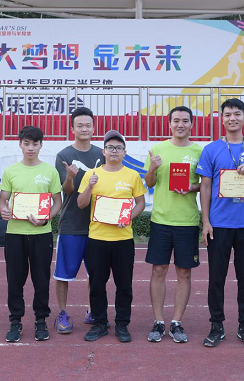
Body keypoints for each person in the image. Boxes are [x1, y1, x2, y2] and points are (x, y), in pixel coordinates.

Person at [197, 98, 244, 349]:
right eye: (228, 114)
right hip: (219, 223)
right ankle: (216, 326)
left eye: (237, 114)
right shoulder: (211, 149)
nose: (232, 118)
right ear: (222, 118)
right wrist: (206, 221)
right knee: (216, 278)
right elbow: (205, 187)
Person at [77, 130, 147, 343]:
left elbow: (140, 203)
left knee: (124, 285)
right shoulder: (92, 174)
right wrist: (90, 186)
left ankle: (122, 324)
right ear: (103, 151)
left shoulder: (132, 175)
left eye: (118, 148)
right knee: (97, 284)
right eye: (110, 147)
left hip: (123, 240)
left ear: (124, 152)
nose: (114, 151)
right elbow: (81, 204)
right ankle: (99, 323)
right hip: (97, 239)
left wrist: (128, 217)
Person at [143, 105, 203, 343]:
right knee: (158, 270)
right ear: (169, 124)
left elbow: (205, 183)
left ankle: (176, 322)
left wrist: (192, 187)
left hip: (187, 221)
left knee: (184, 272)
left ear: (191, 124)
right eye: (176, 120)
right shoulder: (157, 149)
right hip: (161, 220)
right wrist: (152, 168)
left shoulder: (199, 151)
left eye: (185, 120)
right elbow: (149, 182)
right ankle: (158, 322)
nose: (180, 124)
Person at [0, 126, 63, 342]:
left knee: (41, 280)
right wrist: (3, 210)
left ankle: (41, 320)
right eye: (26, 143)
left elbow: (57, 202)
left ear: (41, 145)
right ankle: (15, 321)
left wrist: (46, 218)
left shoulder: (50, 172)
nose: (31, 148)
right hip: (15, 233)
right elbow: (2, 201)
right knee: (15, 280)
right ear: (20, 144)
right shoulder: (11, 171)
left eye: (35, 144)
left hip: (41, 233)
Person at [53, 107, 102, 334]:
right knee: (63, 273)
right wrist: (70, 177)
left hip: (98, 225)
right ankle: (63, 313)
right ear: (72, 128)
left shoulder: (102, 154)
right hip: (72, 224)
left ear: (94, 128)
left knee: (96, 273)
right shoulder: (63, 155)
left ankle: (93, 310)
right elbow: (67, 191)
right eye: (80, 125)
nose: (84, 129)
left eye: (88, 125)